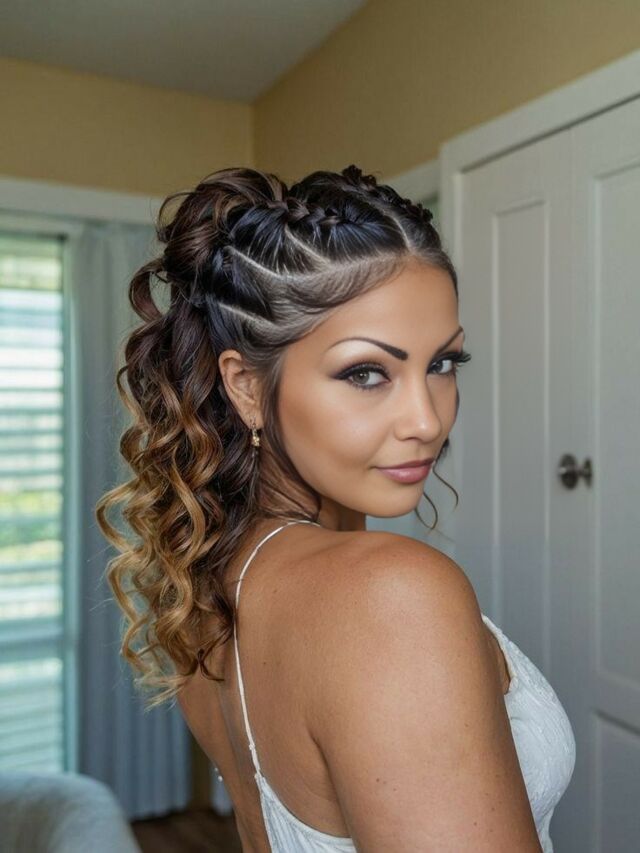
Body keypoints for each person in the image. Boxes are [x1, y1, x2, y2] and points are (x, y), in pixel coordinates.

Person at [96, 165, 575, 852]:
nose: (427, 420)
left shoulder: (216, 580)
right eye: (366, 372)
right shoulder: (391, 595)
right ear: (246, 387)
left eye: (443, 363)